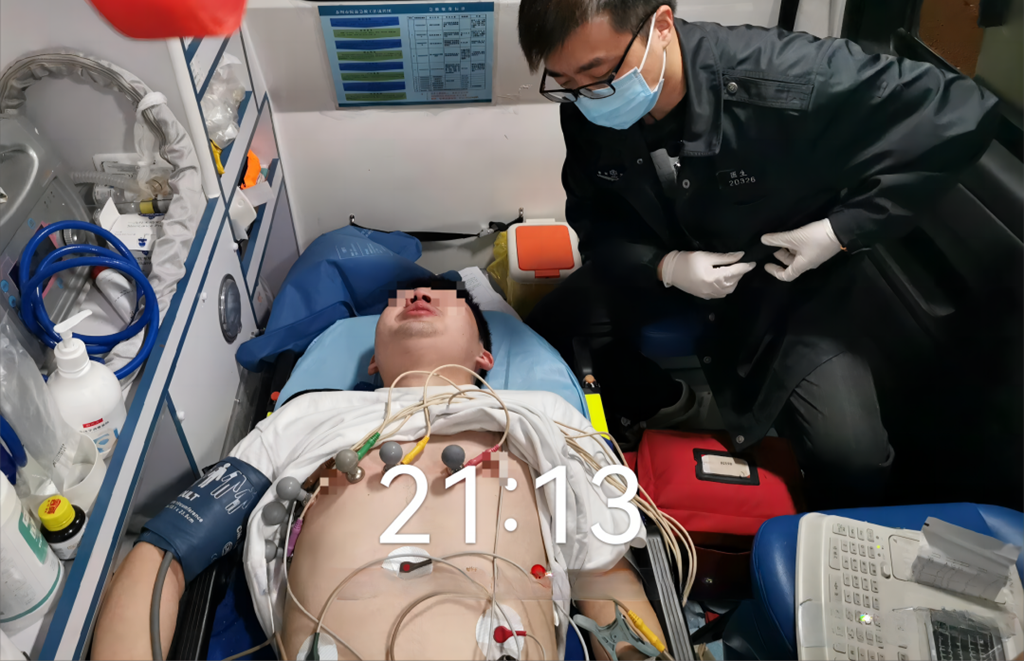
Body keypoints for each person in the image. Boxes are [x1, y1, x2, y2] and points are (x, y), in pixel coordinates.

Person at [517, 0, 999, 507]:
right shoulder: (589, 103)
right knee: (541, 336)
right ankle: (668, 404)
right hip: (663, 267)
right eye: (565, 82)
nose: (586, 94)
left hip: (784, 288)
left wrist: (840, 231)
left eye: (598, 73)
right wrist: (666, 267)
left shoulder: (787, 77)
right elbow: (595, 223)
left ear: (661, 26)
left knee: (853, 458)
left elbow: (962, 109)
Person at [92, 280, 668, 661]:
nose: (417, 294)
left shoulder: (544, 414)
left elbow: (604, 576)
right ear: (372, 362)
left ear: (485, 357)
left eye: (446, 298)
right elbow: (165, 551)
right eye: (398, 300)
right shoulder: (309, 415)